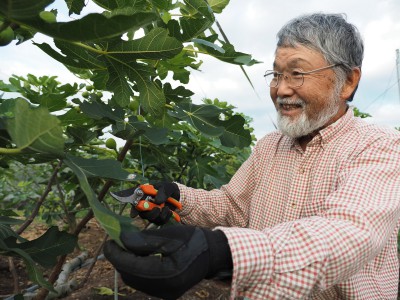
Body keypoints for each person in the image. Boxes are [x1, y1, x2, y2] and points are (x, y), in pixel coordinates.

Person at [104, 13, 400, 299]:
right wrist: (177, 194)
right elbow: (233, 205)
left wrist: (221, 252)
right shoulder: (269, 146)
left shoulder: (381, 146)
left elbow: (347, 233)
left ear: (348, 81)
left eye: (297, 74)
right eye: (276, 74)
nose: (281, 89)